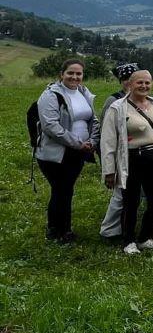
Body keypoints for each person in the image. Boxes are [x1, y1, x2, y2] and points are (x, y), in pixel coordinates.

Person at [100, 69, 153, 255]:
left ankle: (145, 236)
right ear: (130, 84)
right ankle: (128, 241)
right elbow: (108, 141)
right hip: (133, 159)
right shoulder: (118, 108)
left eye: (147, 83)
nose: (144, 86)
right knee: (131, 202)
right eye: (139, 83)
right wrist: (109, 170)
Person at [34, 58, 99, 243]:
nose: (74, 77)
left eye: (78, 73)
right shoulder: (50, 95)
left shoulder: (83, 92)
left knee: (66, 190)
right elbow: (50, 126)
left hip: (78, 151)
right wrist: (78, 143)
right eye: (70, 72)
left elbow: (93, 119)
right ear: (61, 74)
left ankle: (64, 229)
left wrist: (92, 140)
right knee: (60, 189)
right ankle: (56, 231)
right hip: (55, 153)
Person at [98, 62, 140, 240]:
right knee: (119, 193)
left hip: (135, 153)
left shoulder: (140, 98)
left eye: (133, 78)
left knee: (129, 193)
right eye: (125, 79)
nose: (129, 82)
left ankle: (122, 225)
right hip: (119, 152)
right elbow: (106, 131)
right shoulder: (113, 100)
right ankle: (109, 229)